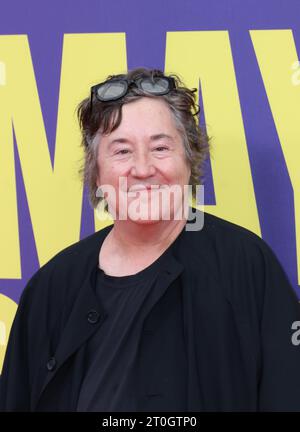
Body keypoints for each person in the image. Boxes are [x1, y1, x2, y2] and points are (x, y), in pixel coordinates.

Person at [1, 67, 300, 412]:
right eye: (122, 151)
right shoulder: (50, 289)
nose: (142, 169)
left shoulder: (248, 267)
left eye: (160, 147)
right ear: (96, 172)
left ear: (189, 160)